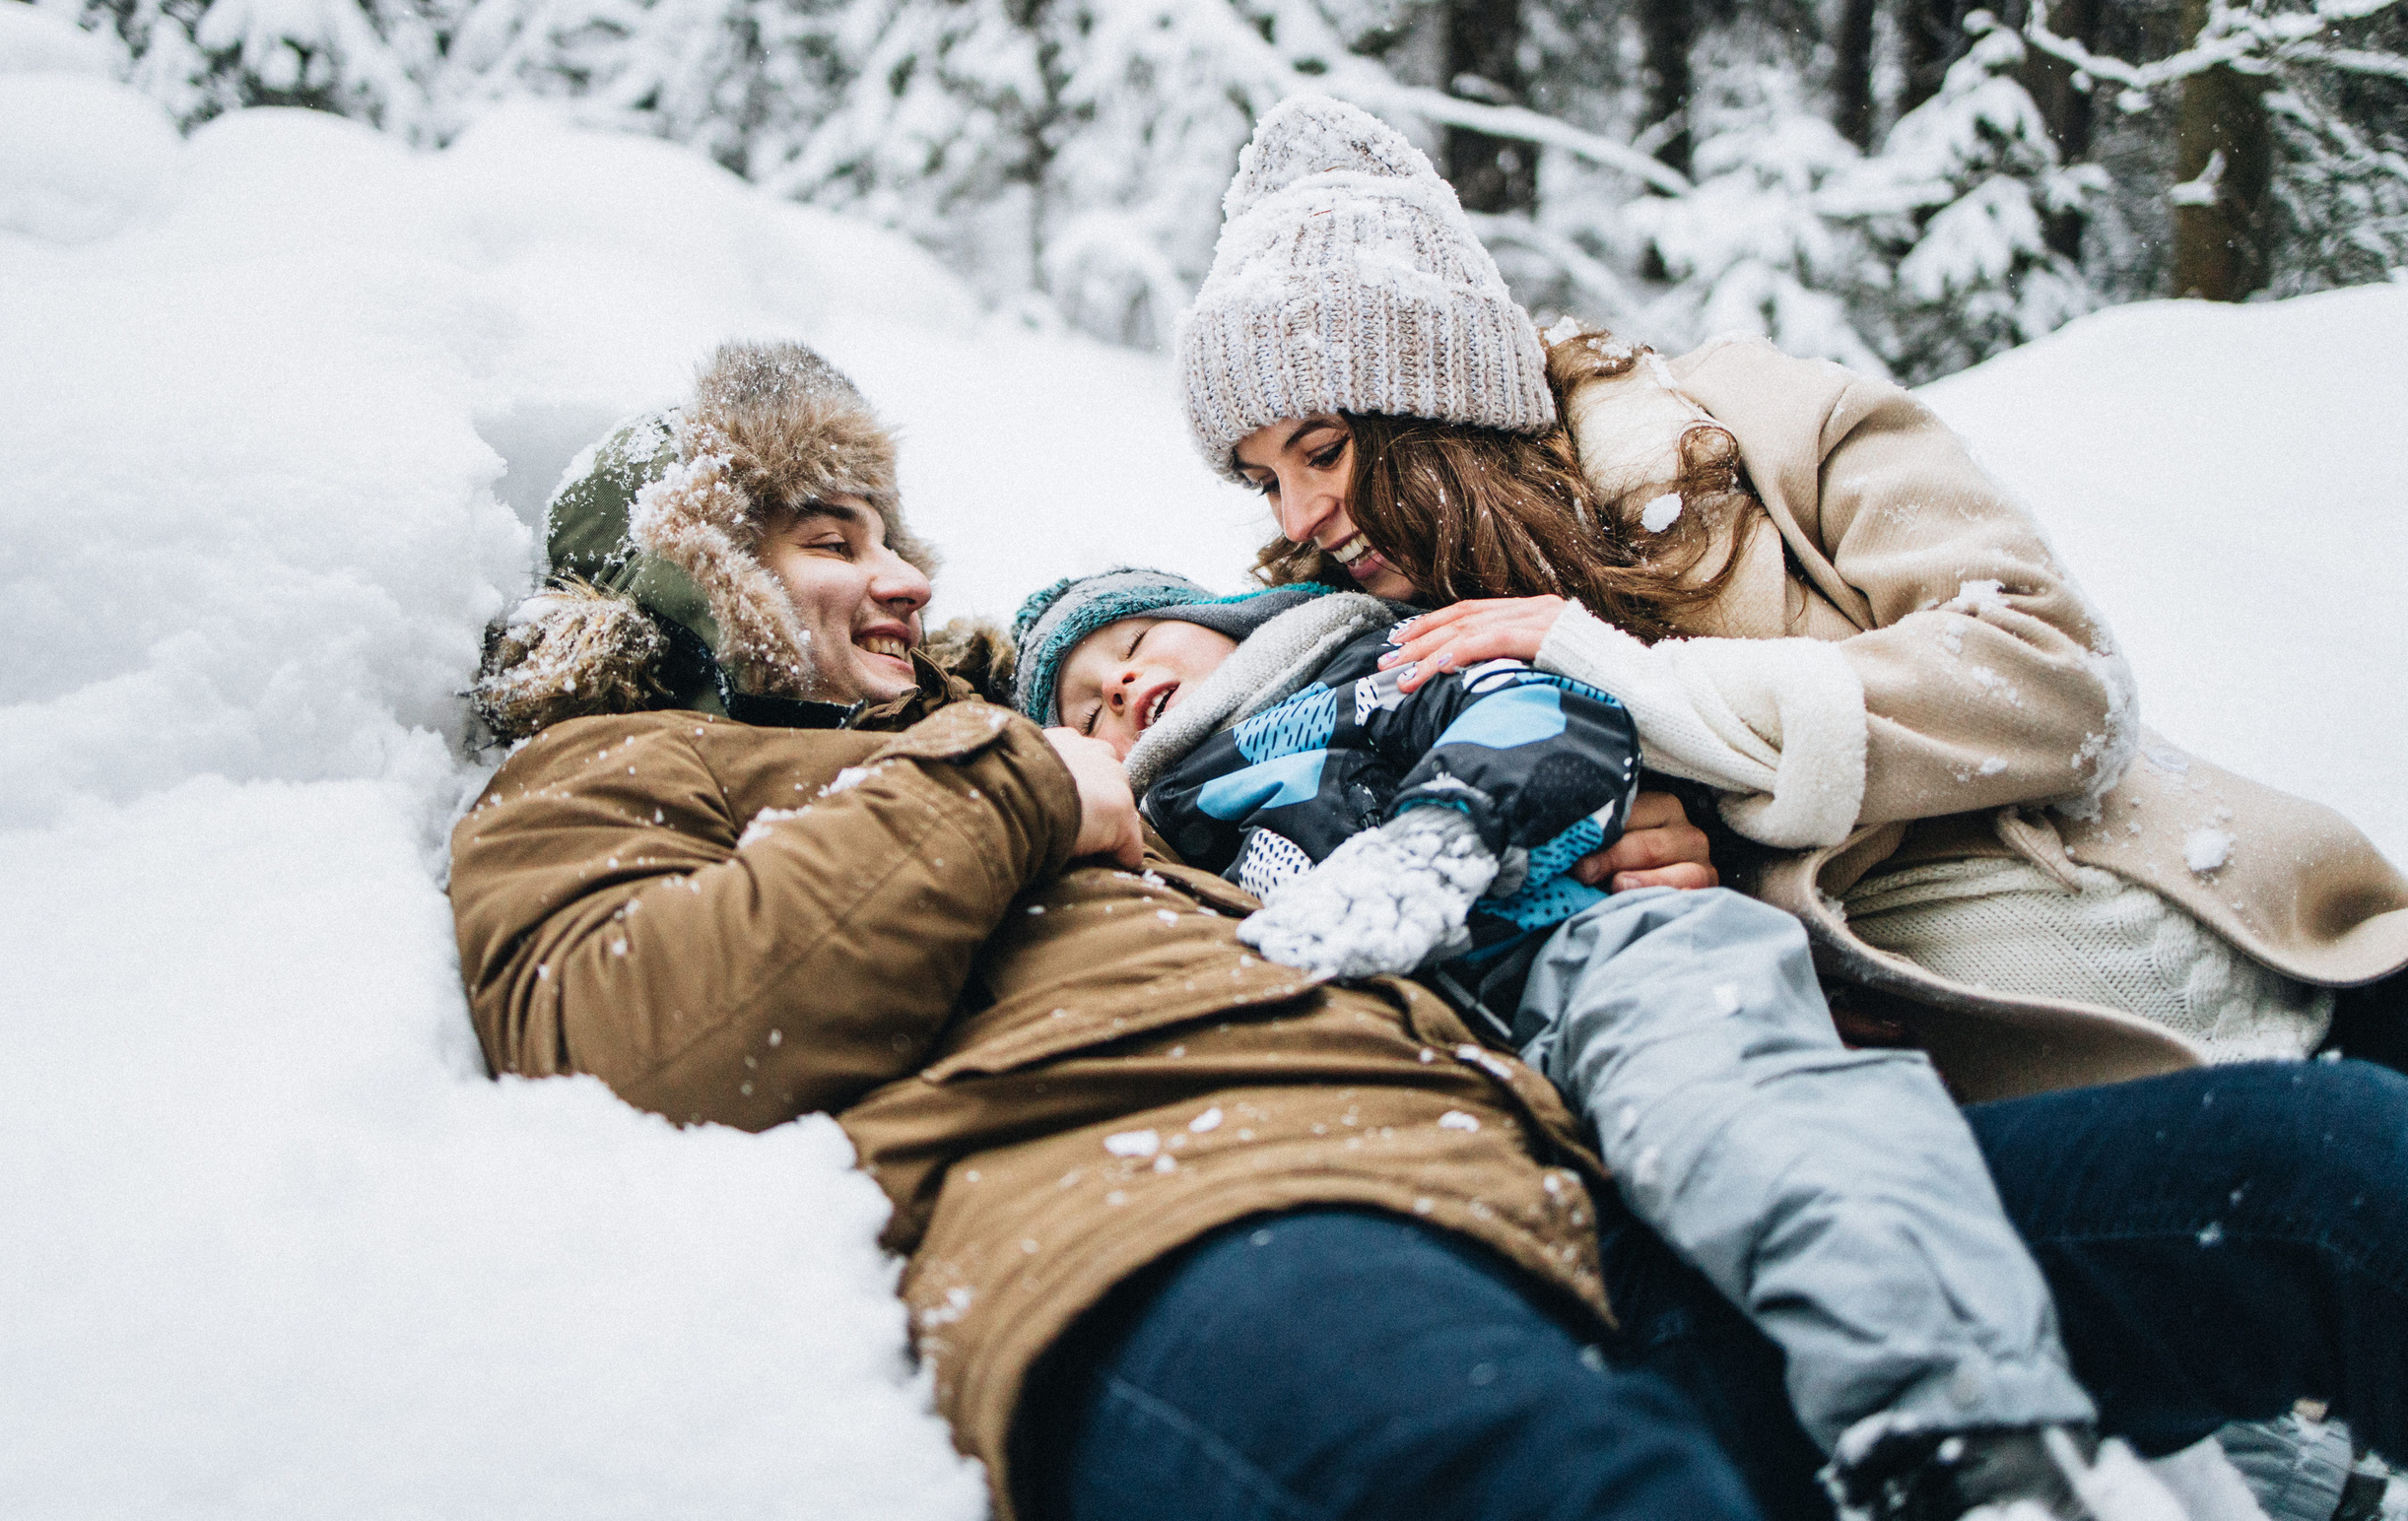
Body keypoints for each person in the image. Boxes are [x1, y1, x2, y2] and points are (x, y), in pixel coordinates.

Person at [449, 338, 2408, 1521]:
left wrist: (1602, 825)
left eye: (891, 534)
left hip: (1599, 1205)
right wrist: (1026, 789)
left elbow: (1360, 686)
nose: (898, 575)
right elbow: (638, 1026)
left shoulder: (1097, 698)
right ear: (684, 581)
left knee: (2340, 1177)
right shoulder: (631, 773)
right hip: (1201, 1215)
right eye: (824, 541)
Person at [1172, 91, 2408, 1099]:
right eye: (1262, 479)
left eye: (1323, 451)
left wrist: (1646, 688)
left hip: (2225, 953)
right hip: (1979, 1095)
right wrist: (1671, 863)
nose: (1298, 519)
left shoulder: (1762, 423)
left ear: (1433, 409)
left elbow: (2052, 683)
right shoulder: (1373, 647)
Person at [1010, 565, 2161, 1513]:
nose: (1116, 688)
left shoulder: (1368, 665)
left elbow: (1548, 712)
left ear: (1226, 623)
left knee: (1743, 1118)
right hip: (1455, 1055)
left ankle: (1971, 1428)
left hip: (1592, 946)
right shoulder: (1158, 833)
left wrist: (1447, 829)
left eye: (1134, 642)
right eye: (1081, 707)